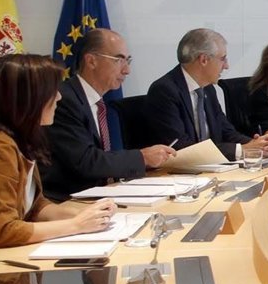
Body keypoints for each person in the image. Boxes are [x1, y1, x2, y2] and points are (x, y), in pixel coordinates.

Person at [0, 54, 117, 249]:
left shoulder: (20, 137)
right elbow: (2, 231)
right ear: (28, 97)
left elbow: (33, 206)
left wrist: (83, 215)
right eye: (52, 91)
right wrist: (76, 225)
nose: (59, 97)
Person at [42, 29, 177, 199]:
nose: (127, 70)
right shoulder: (64, 100)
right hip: (68, 201)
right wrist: (142, 157)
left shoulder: (96, 102)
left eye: (128, 61)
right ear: (91, 61)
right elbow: (85, 161)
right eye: (119, 60)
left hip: (100, 196)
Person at [146, 28, 268, 158]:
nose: (226, 66)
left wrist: (256, 144)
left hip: (211, 165)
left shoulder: (208, 88)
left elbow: (226, 131)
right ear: (204, 59)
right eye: (223, 59)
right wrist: (240, 150)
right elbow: (180, 146)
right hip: (180, 168)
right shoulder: (164, 91)